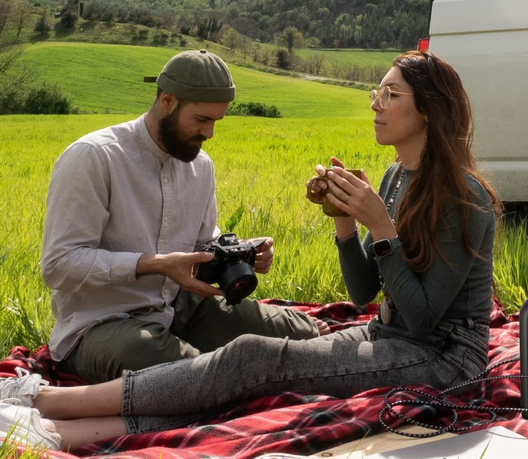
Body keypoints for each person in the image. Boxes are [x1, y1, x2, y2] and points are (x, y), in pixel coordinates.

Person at [0, 50, 502, 451]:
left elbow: (419, 320)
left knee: (248, 366)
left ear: (429, 110)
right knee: (241, 371)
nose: (374, 102)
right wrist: (350, 225)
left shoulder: (462, 196)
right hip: (110, 322)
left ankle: (47, 415)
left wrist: (369, 226)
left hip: (442, 356)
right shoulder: (95, 158)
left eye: (389, 94)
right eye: (379, 90)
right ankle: (46, 407)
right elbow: (366, 292)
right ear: (168, 100)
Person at [38, 49, 326, 385]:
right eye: (202, 120)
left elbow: (204, 238)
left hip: (180, 305)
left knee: (300, 337)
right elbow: (58, 266)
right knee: (197, 373)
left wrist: (242, 250)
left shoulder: (201, 167)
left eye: (216, 121)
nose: (210, 133)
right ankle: (216, 376)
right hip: (101, 324)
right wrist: (153, 264)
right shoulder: (94, 158)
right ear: (167, 101)